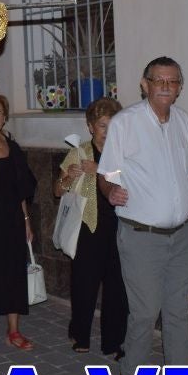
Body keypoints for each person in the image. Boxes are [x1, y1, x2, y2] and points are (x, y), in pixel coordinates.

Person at [97, 57, 188, 375]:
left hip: (184, 234)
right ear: (145, 84)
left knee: (177, 314)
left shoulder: (184, 122)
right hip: (142, 237)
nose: (165, 87)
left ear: (179, 88)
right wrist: (110, 190)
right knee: (144, 313)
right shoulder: (125, 123)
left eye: (172, 82)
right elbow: (107, 173)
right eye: (158, 80)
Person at [54, 97, 128, 357]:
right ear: (90, 127)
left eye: (112, 125)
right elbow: (57, 190)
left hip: (119, 227)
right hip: (87, 227)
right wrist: (68, 177)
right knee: (84, 285)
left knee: (117, 287)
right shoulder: (79, 151)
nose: (107, 131)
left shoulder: (124, 151)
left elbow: (132, 181)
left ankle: (113, 342)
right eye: (102, 125)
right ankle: (81, 334)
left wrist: (100, 170)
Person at [0, 94, 37, 349]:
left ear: (4, 118)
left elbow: (21, 189)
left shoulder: (12, 147)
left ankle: (14, 330)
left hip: (12, 220)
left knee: (14, 272)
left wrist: (27, 221)